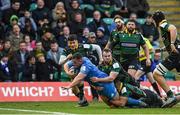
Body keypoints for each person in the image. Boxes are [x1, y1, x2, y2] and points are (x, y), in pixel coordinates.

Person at [63, 53, 148, 108]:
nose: (73, 64)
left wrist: (69, 86)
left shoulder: (86, 65)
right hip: (98, 85)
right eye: (73, 62)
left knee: (117, 103)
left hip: (106, 84)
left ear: (80, 60)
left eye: (75, 63)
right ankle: (134, 103)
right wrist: (68, 72)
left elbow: (79, 78)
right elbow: (66, 64)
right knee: (112, 105)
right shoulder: (81, 59)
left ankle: (140, 103)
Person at [152, 11, 180, 107]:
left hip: (176, 54)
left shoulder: (163, 25)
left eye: (153, 20)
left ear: (156, 20)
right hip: (177, 52)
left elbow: (173, 28)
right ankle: (175, 98)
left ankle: (170, 96)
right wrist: (161, 49)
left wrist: (171, 44)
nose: (153, 22)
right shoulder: (163, 26)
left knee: (156, 73)